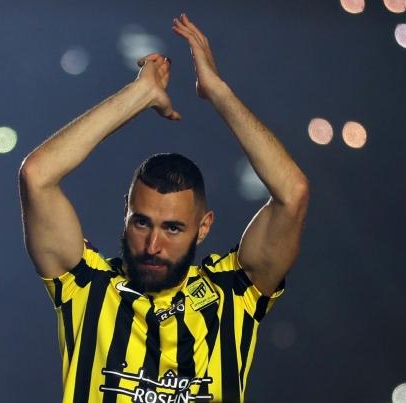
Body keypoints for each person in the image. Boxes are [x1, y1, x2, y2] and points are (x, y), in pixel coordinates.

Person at [19, 13, 309, 403]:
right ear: (126, 213)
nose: (153, 245)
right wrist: (139, 94)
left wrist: (218, 91)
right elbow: (37, 175)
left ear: (203, 227)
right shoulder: (88, 289)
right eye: (142, 223)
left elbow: (292, 193)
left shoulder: (233, 295)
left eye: (172, 228)